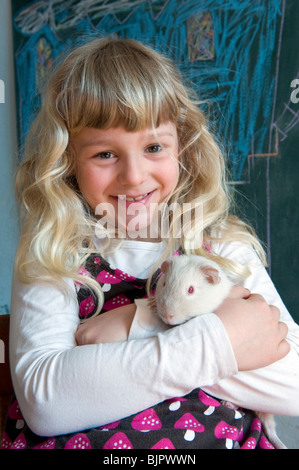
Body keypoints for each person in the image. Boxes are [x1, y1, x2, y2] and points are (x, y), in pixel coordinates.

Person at [1, 37, 299, 450]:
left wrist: (134, 326)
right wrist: (227, 338)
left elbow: (294, 384)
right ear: (67, 161)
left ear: (184, 146)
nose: (135, 176)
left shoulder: (220, 246)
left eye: (154, 147)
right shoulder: (55, 255)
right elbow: (46, 402)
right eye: (105, 154)